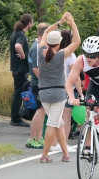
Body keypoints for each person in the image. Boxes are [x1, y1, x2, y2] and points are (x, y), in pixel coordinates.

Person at [39, 12, 81, 163]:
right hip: (58, 94)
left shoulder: (40, 51)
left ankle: (65, 153)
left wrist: (60, 22)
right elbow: (77, 41)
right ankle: (44, 155)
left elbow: (45, 32)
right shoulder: (61, 54)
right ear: (59, 43)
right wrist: (72, 23)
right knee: (53, 123)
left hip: (43, 94)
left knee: (58, 123)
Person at [24, 23, 50, 149]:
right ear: (45, 34)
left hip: (40, 83)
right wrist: (46, 82)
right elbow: (35, 69)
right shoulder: (37, 48)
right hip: (38, 83)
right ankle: (32, 138)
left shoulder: (39, 46)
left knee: (42, 111)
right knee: (40, 111)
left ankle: (39, 138)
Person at [10, 13, 33, 127]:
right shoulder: (21, 34)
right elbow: (18, 46)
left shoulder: (15, 33)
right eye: (31, 23)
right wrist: (23, 55)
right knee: (19, 93)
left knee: (17, 92)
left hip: (16, 68)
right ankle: (15, 118)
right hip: (20, 68)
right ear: (29, 23)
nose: (31, 25)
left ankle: (15, 116)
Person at [61, 29, 83, 153]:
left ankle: (53, 142)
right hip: (68, 89)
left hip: (56, 88)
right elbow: (75, 77)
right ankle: (64, 144)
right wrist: (80, 93)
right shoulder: (70, 55)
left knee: (55, 117)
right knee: (66, 117)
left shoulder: (54, 52)